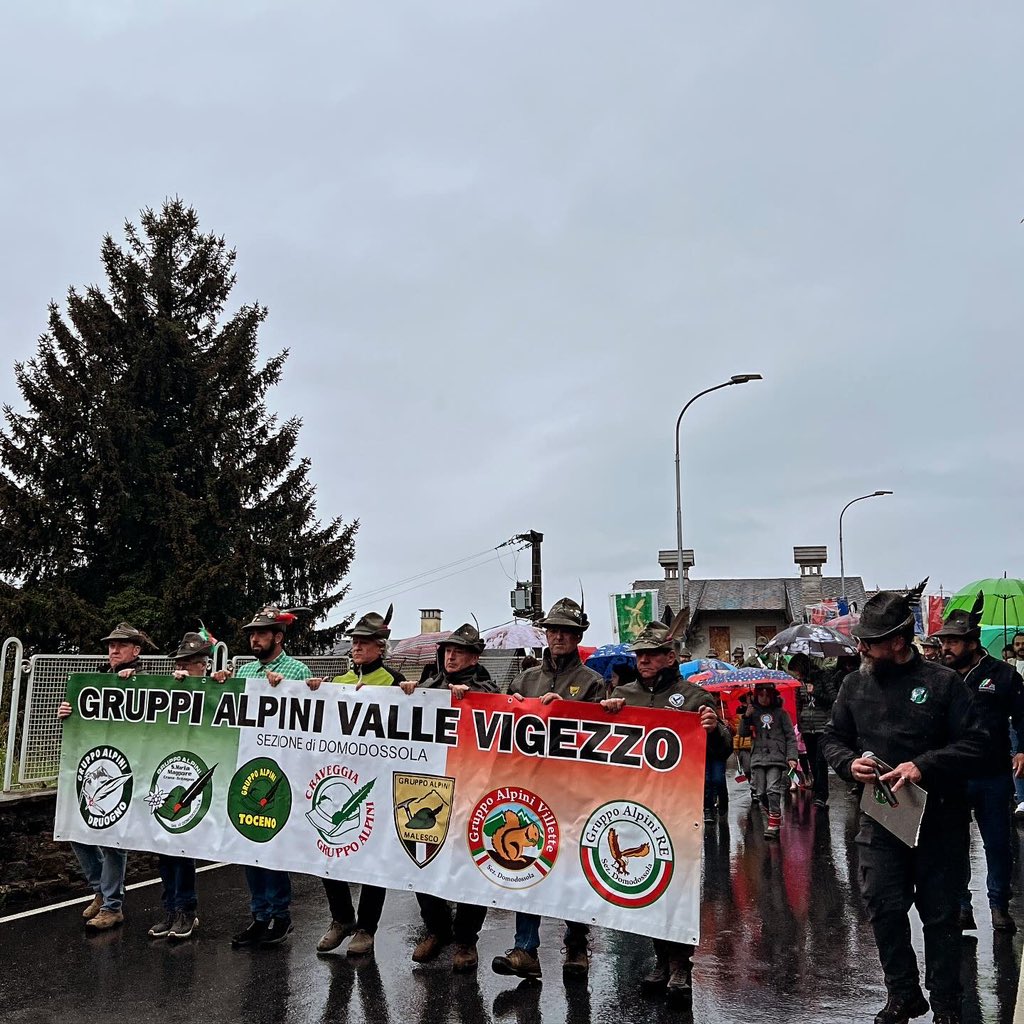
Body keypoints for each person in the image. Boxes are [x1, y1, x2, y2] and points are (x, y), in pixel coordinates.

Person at [822, 585, 988, 1024]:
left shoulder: (944, 683)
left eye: (870, 641)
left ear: (898, 641)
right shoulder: (854, 684)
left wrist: (923, 766)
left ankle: (947, 1004)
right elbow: (832, 739)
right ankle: (903, 993)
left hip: (940, 820)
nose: (861, 647)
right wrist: (847, 763)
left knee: (941, 917)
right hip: (880, 819)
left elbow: (978, 744)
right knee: (882, 905)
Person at [601, 621, 732, 1005]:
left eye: (651, 654)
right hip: (634, 806)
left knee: (679, 886)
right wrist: (606, 712)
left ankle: (681, 964)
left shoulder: (694, 696)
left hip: (679, 807)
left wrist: (714, 729)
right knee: (646, 885)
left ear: (670, 657)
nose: (643, 660)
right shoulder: (622, 694)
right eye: (639, 654)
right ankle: (660, 959)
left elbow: (722, 750)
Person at [491, 597, 604, 982]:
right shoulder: (525, 680)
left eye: (566, 631)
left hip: (573, 791)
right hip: (530, 788)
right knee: (526, 863)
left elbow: (600, 740)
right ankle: (525, 949)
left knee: (573, 868)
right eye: (553, 629)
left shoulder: (592, 683)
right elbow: (502, 727)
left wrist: (567, 711)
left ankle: (576, 944)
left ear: (577, 636)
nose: (558, 636)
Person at [400, 622, 496, 972]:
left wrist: (470, 697)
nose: (450, 656)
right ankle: (436, 930)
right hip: (431, 786)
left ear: (474, 656)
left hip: (471, 788)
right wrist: (410, 691)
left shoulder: (487, 687)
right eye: (446, 650)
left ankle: (466, 939)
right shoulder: (429, 684)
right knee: (423, 858)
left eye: (458, 651)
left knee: (470, 865)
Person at [221, 606, 318, 949]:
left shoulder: (297, 668)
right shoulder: (245, 669)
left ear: (278, 636)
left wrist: (288, 687)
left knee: (273, 843)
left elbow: (307, 708)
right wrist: (220, 683)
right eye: (251, 634)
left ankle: (280, 914)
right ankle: (259, 915)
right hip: (249, 766)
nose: (254, 639)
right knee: (250, 843)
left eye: (261, 634)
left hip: (280, 769)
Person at [316, 607, 405, 957]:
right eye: (354, 642)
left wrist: (412, 694)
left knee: (373, 860)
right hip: (337, 780)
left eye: (364, 643)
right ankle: (341, 919)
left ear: (380, 647)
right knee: (326, 850)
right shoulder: (336, 682)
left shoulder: (397, 683)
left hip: (377, 784)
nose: (356, 647)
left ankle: (366, 928)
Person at [56, 621, 156, 931]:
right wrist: (68, 714)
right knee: (76, 831)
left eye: (120, 645)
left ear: (135, 651)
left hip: (126, 769)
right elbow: (86, 722)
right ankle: (102, 891)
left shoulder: (145, 682)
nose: (113, 649)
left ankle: (113, 906)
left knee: (114, 839)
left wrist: (133, 683)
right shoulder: (95, 682)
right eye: (110, 645)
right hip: (95, 766)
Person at [934, 599, 1024, 934]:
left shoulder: (1004, 674)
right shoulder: (939, 677)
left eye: (953, 642)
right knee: (953, 845)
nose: (945, 647)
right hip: (953, 775)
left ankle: (999, 905)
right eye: (943, 642)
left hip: (994, 773)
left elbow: (1022, 715)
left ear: (972, 643)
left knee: (998, 843)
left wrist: (1023, 750)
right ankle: (961, 906)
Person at [148, 630, 219, 942]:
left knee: (183, 848)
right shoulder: (168, 689)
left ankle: (186, 910)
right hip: (167, 774)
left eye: (192, 663)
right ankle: (169, 910)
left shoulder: (215, 689)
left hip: (194, 774)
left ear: (204, 665)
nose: (185, 668)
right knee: (164, 849)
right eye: (182, 663)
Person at [740, 683, 798, 839]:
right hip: (758, 757)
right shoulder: (753, 713)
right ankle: (774, 815)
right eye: (761, 695)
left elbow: (791, 737)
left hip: (776, 757)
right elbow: (742, 733)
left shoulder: (781, 714)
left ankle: (773, 823)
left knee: (773, 789)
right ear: (756, 695)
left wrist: (792, 757)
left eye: (767, 695)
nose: (764, 699)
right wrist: (746, 717)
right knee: (760, 792)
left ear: (773, 696)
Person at [789, 652, 839, 808]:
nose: (796, 674)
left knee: (820, 760)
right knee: (811, 760)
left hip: (822, 725)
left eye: (797, 670)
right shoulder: (800, 682)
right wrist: (799, 724)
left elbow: (833, 699)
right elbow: (798, 704)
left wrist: (815, 692)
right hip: (807, 726)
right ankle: (817, 790)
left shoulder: (823, 677)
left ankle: (822, 795)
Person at [733, 691, 752, 783]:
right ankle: (753, 788)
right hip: (744, 746)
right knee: (747, 769)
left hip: (757, 745)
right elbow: (737, 732)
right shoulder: (739, 713)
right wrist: (736, 747)